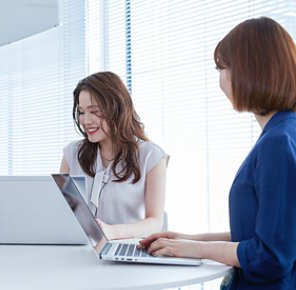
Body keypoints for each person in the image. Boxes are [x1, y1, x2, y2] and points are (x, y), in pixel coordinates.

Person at [139, 17, 296, 289]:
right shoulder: (283, 132)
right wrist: (190, 239)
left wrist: (192, 249)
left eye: (223, 68)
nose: (220, 79)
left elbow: (271, 256)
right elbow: (266, 234)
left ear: (251, 71)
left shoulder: (278, 142)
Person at [60, 71, 169, 240]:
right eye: (81, 112)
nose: (85, 120)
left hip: (127, 248)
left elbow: (155, 222)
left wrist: (112, 232)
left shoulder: (151, 156)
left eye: (94, 111)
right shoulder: (72, 153)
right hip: (80, 250)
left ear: (116, 109)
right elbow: (61, 211)